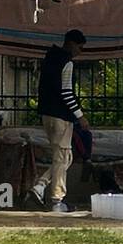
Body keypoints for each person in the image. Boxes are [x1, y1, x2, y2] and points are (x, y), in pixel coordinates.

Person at [30, 29, 89, 212]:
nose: (80, 51)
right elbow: (66, 92)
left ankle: (40, 186)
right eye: (79, 47)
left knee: (64, 158)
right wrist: (80, 116)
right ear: (71, 43)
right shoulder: (66, 62)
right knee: (62, 157)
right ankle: (57, 200)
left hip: (46, 114)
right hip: (61, 116)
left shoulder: (49, 58)